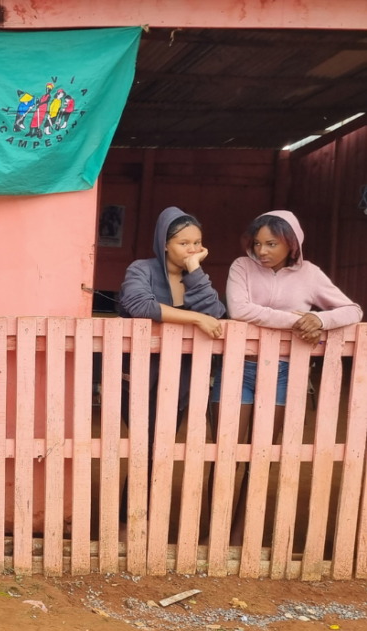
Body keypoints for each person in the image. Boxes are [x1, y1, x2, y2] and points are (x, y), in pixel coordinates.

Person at [222, 211, 362, 540]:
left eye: (271, 243)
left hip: (284, 372)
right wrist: (298, 320)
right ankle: (213, 531)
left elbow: (353, 310)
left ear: (292, 242)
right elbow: (238, 310)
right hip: (236, 368)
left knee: (261, 455)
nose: (262, 251)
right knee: (225, 453)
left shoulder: (310, 275)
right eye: (257, 243)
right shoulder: (241, 267)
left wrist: (321, 322)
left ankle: (240, 534)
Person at [119, 207, 225, 468]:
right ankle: (131, 510)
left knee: (162, 452)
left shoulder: (196, 277)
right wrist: (195, 318)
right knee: (144, 452)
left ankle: (147, 508)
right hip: (140, 376)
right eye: (184, 243)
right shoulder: (141, 269)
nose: (192, 249)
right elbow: (140, 306)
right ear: (165, 245)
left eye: (197, 243)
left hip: (181, 379)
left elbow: (214, 313)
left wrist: (196, 272)